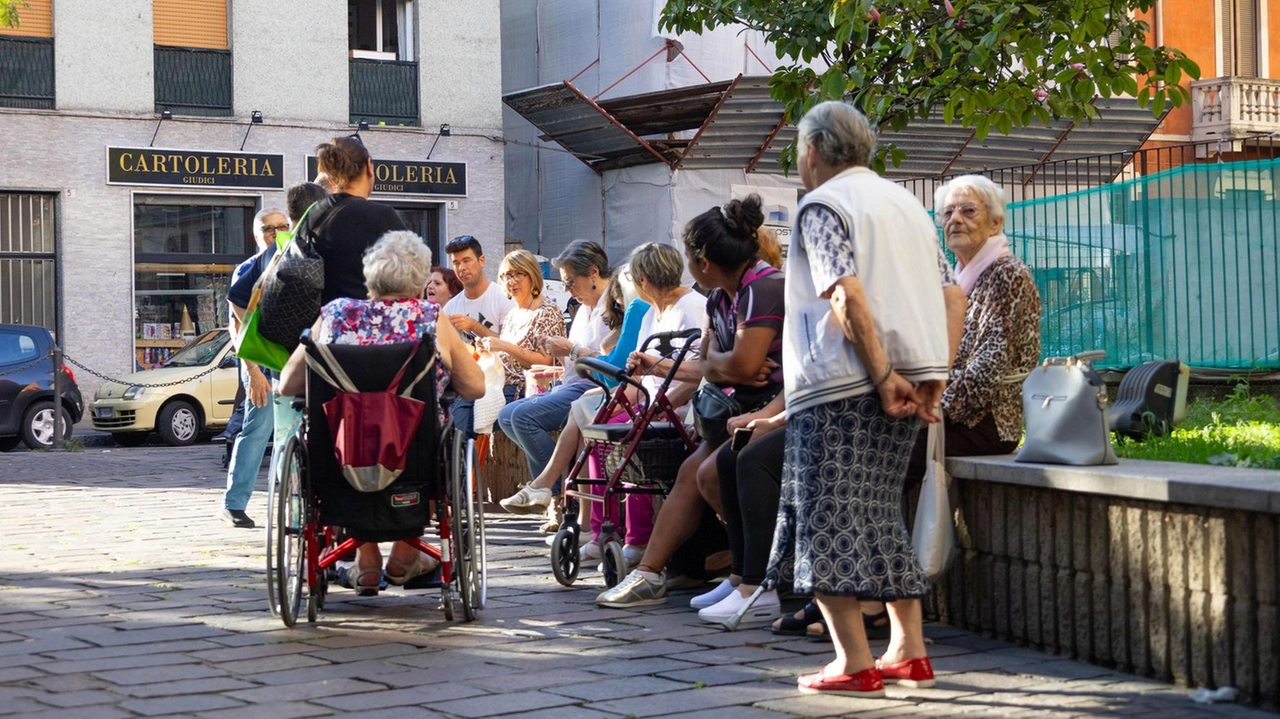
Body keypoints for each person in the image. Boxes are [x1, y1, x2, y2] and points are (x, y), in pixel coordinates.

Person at [768, 101, 964, 698]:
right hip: (913, 377)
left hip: (842, 385)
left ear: (814, 150)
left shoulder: (823, 204)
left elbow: (844, 295)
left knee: (827, 519)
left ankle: (853, 662)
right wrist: (936, 375)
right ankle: (908, 648)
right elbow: (952, 296)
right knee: (878, 513)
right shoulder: (906, 204)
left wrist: (882, 376)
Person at [596, 195, 786, 610]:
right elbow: (715, 363)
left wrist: (723, 363)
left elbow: (738, 362)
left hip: (770, 407)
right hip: (734, 408)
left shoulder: (764, 287)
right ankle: (660, 573)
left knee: (714, 472)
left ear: (703, 260)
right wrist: (726, 365)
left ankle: (758, 575)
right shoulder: (722, 296)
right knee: (693, 474)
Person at [278, 231, 484, 594]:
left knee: (349, 424)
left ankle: (367, 560)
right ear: (420, 281)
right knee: (434, 432)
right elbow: (476, 388)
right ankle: (405, 553)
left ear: (369, 277)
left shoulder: (335, 314)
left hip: (340, 458)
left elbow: (287, 384)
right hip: (415, 461)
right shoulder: (431, 319)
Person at [905, 175, 1041, 480]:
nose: (955, 220)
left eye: (968, 211)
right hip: (948, 412)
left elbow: (988, 368)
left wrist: (931, 409)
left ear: (994, 223)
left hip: (987, 422)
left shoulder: (1008, 275)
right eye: (948, 212)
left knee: (888, 452)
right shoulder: (958, 278)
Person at [496, 240, 613, 509]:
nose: (568, 290)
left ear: (593, 273)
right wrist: (559, 352)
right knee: (506, 415)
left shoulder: (612, 309)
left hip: (592, 388)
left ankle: (554, 492)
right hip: (568, 383)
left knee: (521, 417)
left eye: (570, 282)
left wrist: (568, 350)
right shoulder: (583, 309)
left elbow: (609, 364)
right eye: (565, 285)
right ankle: (553, 489)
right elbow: (570, 361)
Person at [219, 208, 290, 528]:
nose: (276, 232)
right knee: (257, 429)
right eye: (268, 228)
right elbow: (237, 324)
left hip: (291, 360)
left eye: (282, 226)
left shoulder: (296, 262)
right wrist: (252, 371)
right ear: (256, 235)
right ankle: (234, 504)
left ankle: (296, 507)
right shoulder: (247, 269)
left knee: (293, 434)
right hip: (260, 360)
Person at [305, 135, 408, 304]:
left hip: (321, 325)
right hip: (369, 324)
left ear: (330, 178)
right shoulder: (381, 216)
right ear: (369, 166)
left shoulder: (311, 215)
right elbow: (411, 279)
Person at [477, 249, 565, 400]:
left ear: (533, 276)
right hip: (501, 385)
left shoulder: (546, 312)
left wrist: (503, 346)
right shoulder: (513, 314)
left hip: (528, 391)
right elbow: (509, 359)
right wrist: (489, 349)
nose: (512, 281)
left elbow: (546, 362)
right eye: (507, 275)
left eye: (519, 274)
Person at [443, 235, 516, 341]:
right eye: (456, 263)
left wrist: (475, 327)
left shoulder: (504, 298)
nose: (461, 268)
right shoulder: (450, 308)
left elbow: (512, 347)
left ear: (481, 261)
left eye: (466, 260)